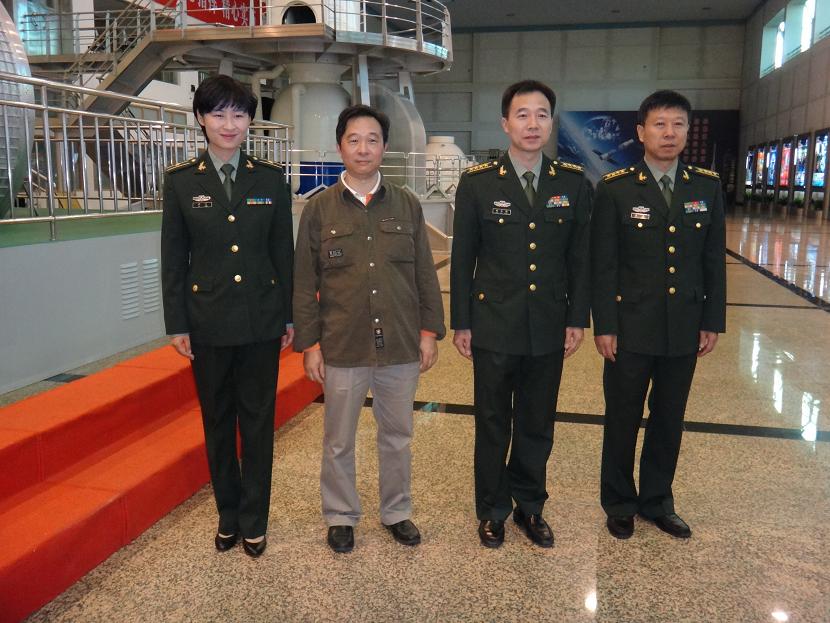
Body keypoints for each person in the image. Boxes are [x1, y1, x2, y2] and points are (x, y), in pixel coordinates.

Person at [292, 104, 445, 553]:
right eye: (354, 139)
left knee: (397, 436)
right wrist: (310, 344)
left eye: (372, 140)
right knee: (339, 440)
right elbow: (304, 282)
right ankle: (341, 515)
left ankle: (396, 511)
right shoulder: (318, 209)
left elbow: (424, 273)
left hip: (399, 342)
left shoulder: (406, 204)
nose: (363, 148)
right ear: (340, 146)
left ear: (385, 146)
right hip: (342, 344)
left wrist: (429, 332)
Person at [450, 80, 592, 549]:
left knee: (537, 421)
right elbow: (463, 258)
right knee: (492, 421)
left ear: (551, 122)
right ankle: (492, 508)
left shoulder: (572, 183)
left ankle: (530, 505)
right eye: (523, 114)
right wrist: (462, 321)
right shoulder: (478, 183)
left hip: (548, 325)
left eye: (542, 114)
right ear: (505, 123)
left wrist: (576, 318)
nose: (533, 124)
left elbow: (580, 259)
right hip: (494, 324)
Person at [160, 74, 294, 558]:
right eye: (218, 113)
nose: (229, 124)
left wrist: (289, 316)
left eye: (239, 114)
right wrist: (177, 323)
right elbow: (173, 258)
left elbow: (283, 252)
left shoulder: (271, 178)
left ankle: (255, 519)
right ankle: (227, 514)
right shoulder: (181, 181)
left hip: (261, 320)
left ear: (251, 120)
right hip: (208, 321)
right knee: (217, 422)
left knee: (258, 423)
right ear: (201, 118)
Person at [590, 89, 726, 540]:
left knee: (669, 417)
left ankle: (657, 501)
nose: (669, 133)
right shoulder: (615, 189)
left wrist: (712, 320)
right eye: (660, 124)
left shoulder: (705, 186)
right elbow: (603, 264)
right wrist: (605, 325)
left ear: (687, 131)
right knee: (622, 417)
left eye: (678, 124)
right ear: (641, 132)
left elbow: (713, 260)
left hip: (684, 326)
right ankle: (619, 502)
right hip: (630, 327)